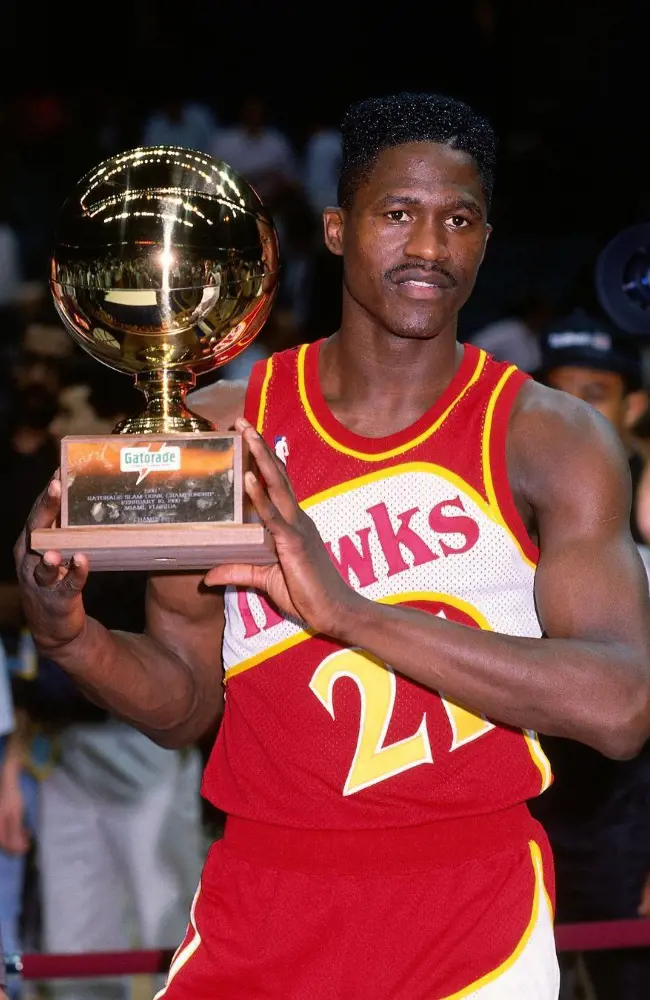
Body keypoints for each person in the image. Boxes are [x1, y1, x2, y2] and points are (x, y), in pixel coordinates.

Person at [14, 92, 650, 1000]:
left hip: (469, 912)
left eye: (457, 221)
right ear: (339, 227)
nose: (429, 247)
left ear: (484, 240)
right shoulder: (226, 428)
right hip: (261, 901)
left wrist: (348, 612)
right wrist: (71, 636)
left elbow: (623, 706)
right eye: (398, 214)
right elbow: (188, 704)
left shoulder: (549, 437)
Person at [529, 312, 650, 1000]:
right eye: (561, 393)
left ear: (633, 403)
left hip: (629, 807)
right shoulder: (517, 490)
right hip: (534, 790)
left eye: (595, 395)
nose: (577, 414)